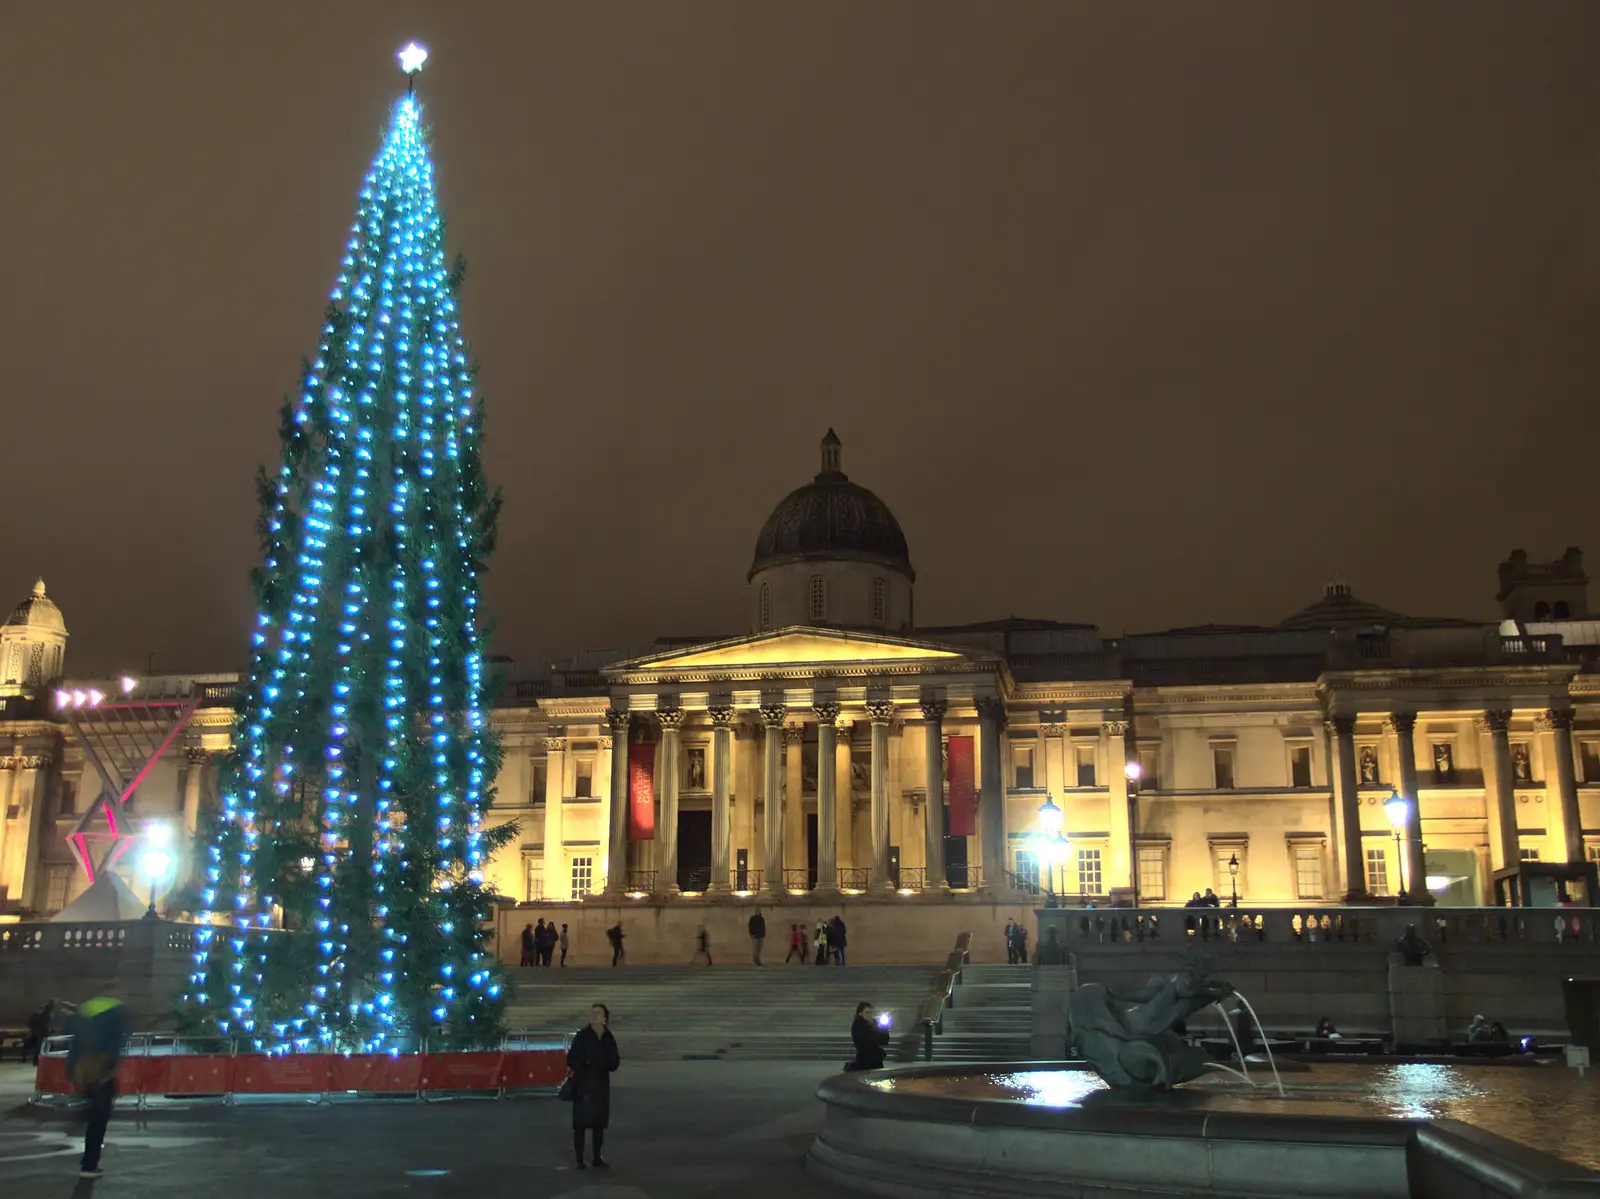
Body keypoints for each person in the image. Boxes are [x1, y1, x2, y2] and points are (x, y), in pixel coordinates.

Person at [67, 984, 126, 1178]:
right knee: (99, 1119)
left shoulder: (85, 1009)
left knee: (93, 1113)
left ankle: (88, 1160)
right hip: (102, 1071)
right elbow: (116, 1043)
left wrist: (72, 1069)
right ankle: (90, 1164)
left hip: (84, 1070)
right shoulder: (116, 1010)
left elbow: (74, 1040)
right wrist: (111, 1070)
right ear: (113, 992)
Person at [566, 1003, 620, 1170]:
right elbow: (571, 1058)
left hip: (601, 1085)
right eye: (593, 1013)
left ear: (605, 1018)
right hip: (584, 1084)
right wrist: (586, 1061)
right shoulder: (582, 1035)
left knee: (599, 1122)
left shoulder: (608, 1037)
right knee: (581, 1123)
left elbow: (615, 1061)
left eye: (599, 1013)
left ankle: (597, 1157)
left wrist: (601, 1062)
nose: (595, 1016)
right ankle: (580, 1158)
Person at [846, 1001, 889, 1072]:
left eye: (871, 1012)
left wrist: (883, 1028)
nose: (870, 1015)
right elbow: (873, 1040)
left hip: (874, 1061)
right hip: (865, 1062)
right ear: (860, 1013)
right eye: (867, 1012)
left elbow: (885, 1040)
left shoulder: (873, 1024)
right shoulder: (859, 1026)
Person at [24, 999, 54, 1066]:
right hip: (42, 1032)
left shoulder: (39, 1015)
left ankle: (37, 1061)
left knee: (40, 1047)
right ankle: (39, 1061)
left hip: (39, 1032)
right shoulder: (45, 1014)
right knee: (43, 1047)